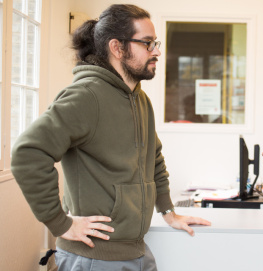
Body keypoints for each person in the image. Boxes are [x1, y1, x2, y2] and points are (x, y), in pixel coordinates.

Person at [11, 4, 210, 271]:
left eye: (156, 43)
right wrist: (60, 223)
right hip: (94, 258)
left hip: (136, 251)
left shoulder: (140, 99)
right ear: (117, 48)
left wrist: (168, 212)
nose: (157, 51)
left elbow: (153, 158)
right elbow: (28, 152)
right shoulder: (87, 96)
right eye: (148, 44)